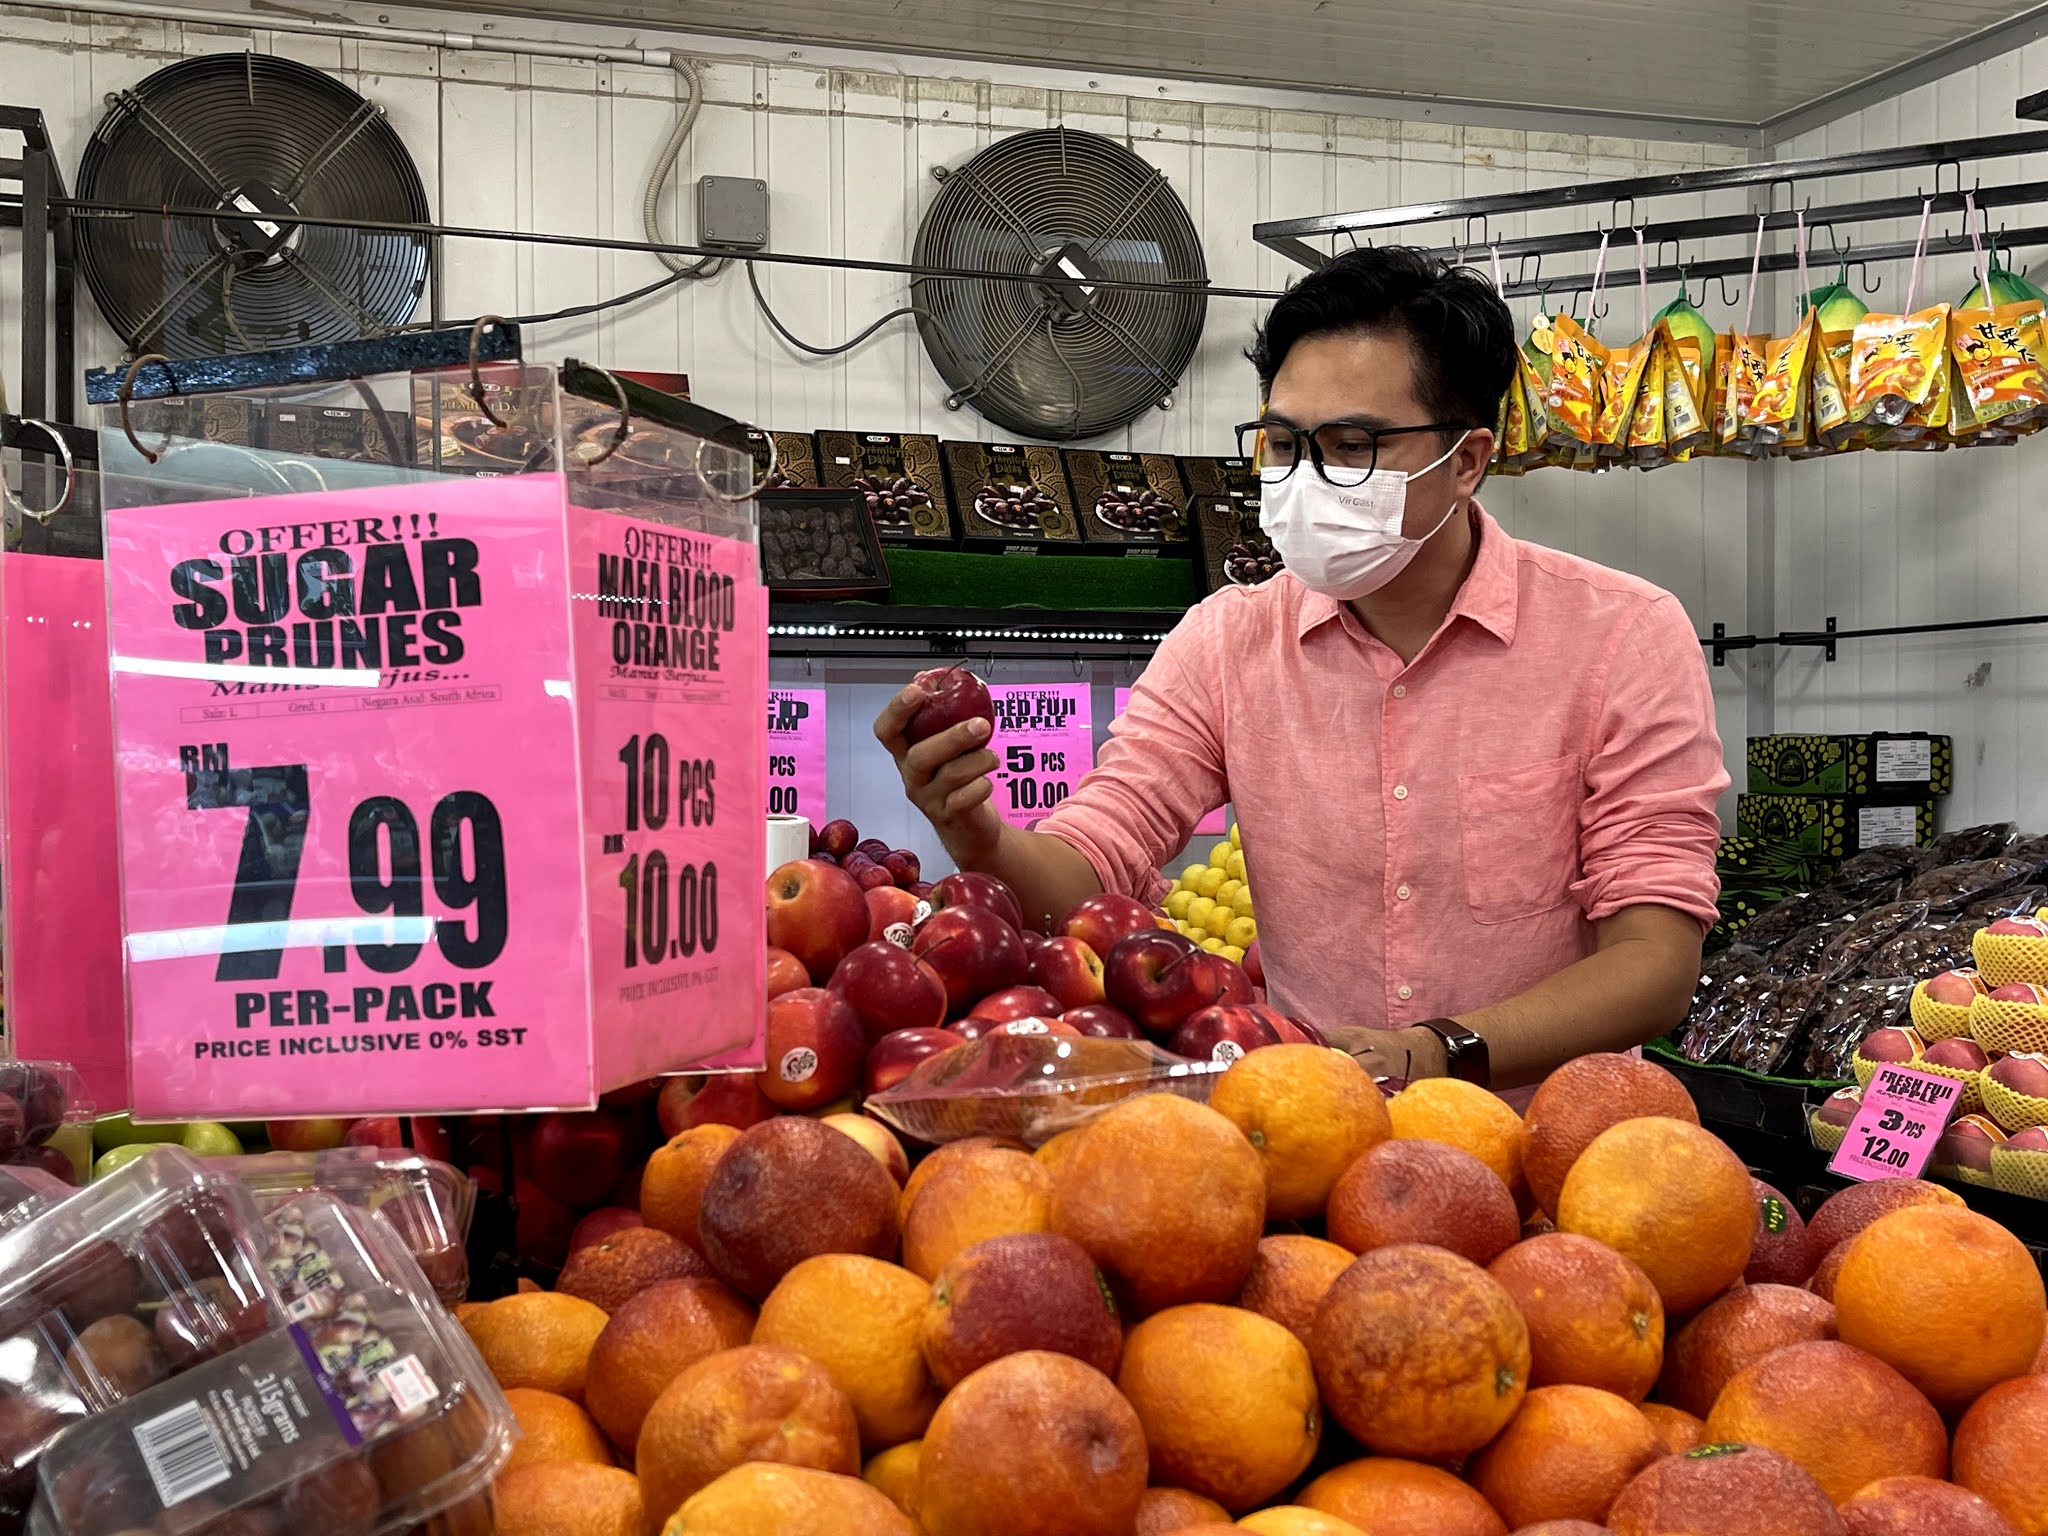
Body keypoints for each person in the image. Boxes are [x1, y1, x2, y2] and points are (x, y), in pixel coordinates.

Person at [874, 247, 1727, 1088]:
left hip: (1560, 1156)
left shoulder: (1621, 635)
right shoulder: (1226, 642)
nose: (1307, 479)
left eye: (1352, 444)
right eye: (1283, 443)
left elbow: (1655, 959)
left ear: (1466, 460)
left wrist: (1440, 1049)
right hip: (1314, 1140)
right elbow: (1089, 867)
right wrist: (974, 831)